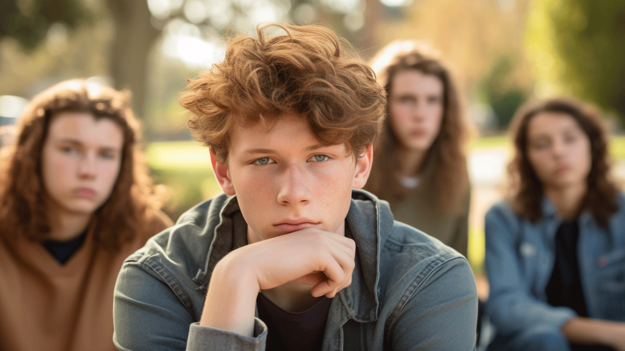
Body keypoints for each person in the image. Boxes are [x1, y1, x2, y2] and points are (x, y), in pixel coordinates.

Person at [113, 23, 478, 350]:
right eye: (263, 161)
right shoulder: (158, 280)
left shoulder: (429, 279)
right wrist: (235, 279)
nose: (294, 192)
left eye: (319, 158)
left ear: (361, 164)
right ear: (223, 170)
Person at [0, 80, 173, 351]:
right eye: (70, 149)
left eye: (106, 154)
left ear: (122, 164)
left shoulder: (150, 238)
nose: (88, 171)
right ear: (33, 152)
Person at [484, 98, 625, 351]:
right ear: (526, 157)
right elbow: (505, 306)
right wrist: (609, 333)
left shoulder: (621, 211)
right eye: (542, 144)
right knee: (547, 340)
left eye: (570, 138)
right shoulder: (503, 218)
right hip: (535, 345)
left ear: (592, 144)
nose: (558, 151)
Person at [364, 41, 472, 257]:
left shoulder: (456, 176)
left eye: (433, 100)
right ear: (381, 104)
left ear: (447, 108)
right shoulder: (357, 173)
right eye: (406, 99)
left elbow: (461, 266)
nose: (420, 114)